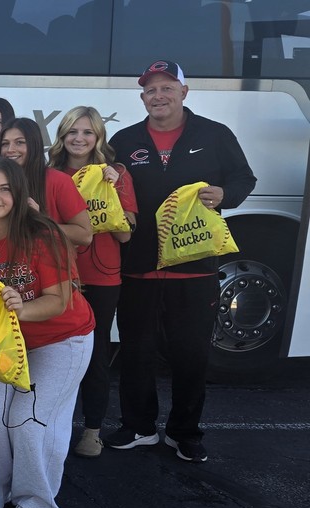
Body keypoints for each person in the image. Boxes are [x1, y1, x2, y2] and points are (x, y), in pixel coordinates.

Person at [105, 60, 256, 462]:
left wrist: (225, 195)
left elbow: (244, 179)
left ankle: (184, 432)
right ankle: (139, 427)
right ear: (142, 97)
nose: (159, 96)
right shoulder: (124, 140)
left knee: (191, 355)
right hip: (138, 266)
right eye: (151, 90)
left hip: (194, 268)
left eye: (167, 88)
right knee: (136, 352)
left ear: (184, 93)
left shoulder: (214, 134)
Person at [0, 157, 95, 508]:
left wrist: (20, 308)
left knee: (28, 421)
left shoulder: (44, 234)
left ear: (19, 194)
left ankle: (36, 499)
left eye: (4, 189)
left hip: (61, 338)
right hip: (4, 342)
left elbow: (58, 301)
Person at [48, 106, 138, 458]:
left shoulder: (117, 174)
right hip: (57, 274)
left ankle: (92, 431)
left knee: (96, 353)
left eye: (87, 132)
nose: (79, 138)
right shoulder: (50, 174)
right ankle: (50, 425)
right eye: (72, 131)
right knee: (53, 352)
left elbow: (126, 234)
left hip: (101, 276)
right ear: (62, 136)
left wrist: (112, 191)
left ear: (99, 136)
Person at [0, 118, 92, 248]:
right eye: (5, 144)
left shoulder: (58, 180)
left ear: (35, 145)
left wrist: (42, 223)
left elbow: (85, 235)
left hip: (48, 259)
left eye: (19, 142)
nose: (10, 149)